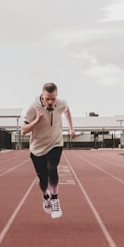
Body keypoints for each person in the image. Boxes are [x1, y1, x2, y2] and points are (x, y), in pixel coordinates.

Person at [21, 82, 76, 219]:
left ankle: (55, 199)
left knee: (52, 168)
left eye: (53, 98)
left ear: (56, 96)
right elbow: (23, 130)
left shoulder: (61, 103)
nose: (50, 102)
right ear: (42, 96)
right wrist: (36, 121)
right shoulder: (33, 107)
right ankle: (46, 196)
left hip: (55, 143)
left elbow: (67, 110)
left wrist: (71, 128)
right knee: (43, 179)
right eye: (47, 99)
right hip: (37, 148)